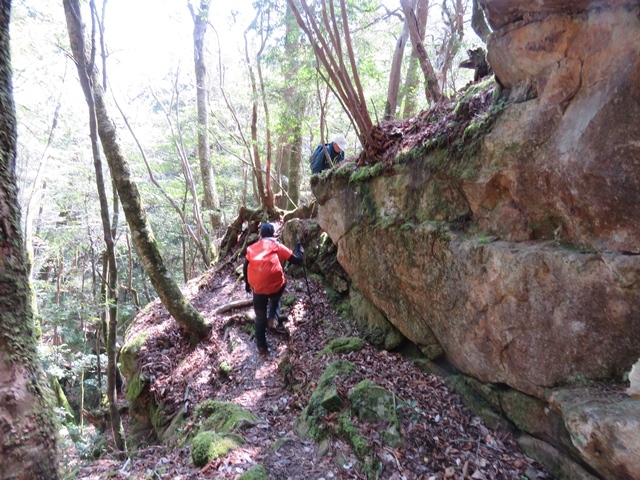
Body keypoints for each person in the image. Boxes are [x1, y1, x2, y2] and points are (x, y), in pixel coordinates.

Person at [243, 222, 304, 356]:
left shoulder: (252, 248)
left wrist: (247, 284)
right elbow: (297, 261)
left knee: (259, 318)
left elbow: (245, 266)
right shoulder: (277, 246)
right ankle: (273, 316)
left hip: (258, 289)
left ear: (261, 235)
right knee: (276, 298)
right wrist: (299, 251)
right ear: (274, 234)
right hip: (276, 286)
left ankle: (262, 347)